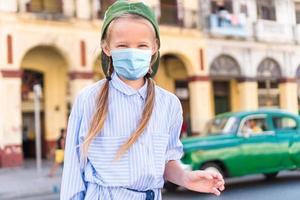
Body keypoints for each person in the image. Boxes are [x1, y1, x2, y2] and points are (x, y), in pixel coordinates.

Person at [60, 1, 225, 199]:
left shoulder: (169, 104)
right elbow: (73, 171)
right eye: (122, 45)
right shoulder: (88, 100)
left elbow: (166, 161)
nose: (132, 52)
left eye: (142, 45)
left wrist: (186, 178)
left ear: (154, 47)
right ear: (106, 47)